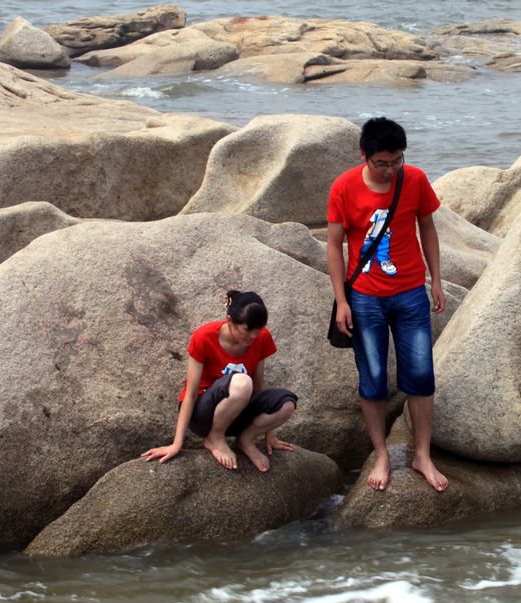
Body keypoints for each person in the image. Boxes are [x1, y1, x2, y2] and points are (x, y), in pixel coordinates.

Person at [326, 117, 449, 493]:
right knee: (374, 379)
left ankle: (422, 454)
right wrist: (342, 300)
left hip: (411, 291)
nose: (392, 169)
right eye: (383, 163)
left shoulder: (414, 180)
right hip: (365, 297)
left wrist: (437, 279)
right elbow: (334, 245)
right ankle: (381, 454)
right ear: (364, 155)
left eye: (397, 161)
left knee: (421, 377)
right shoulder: (344, 187)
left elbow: (426, 228)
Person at [141, 290, 297, 471]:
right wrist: (177, 444)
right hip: (203, 414)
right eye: (247, 330)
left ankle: (245, 440)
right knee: (242, 383)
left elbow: (259, 385)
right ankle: (215, 439)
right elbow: (190, 393)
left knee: (287, 404)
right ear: (230, 321)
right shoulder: (204, 337)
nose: (253, 336)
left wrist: (269, 436)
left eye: (259, 329)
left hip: (237, 412)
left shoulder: (261, 338)